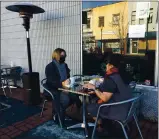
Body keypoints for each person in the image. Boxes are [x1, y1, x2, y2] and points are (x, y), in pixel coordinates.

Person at [83, 53, 132, 132]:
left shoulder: (111, 78)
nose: (106, 66)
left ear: (111, 66)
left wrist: (94, 88)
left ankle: (101, 126)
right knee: (94, 100)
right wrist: (98, 90)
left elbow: (105, 98)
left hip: (118, 111)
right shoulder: (124, 75)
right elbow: (116, 90)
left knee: (89, 107)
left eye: (107, 64)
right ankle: (106, 124)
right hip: (128, 107)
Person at [45, 48, 81, 125]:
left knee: (76, 95)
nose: (63, 57)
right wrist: (62, 87)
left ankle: (81, 113)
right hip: (55, 89)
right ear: (56, 56)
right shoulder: (50, 67)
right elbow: (52, 82)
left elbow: (67, 77)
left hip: (66, 87)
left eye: (64, 55)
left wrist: (69, 83)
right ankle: (57, 115)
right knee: (65, 99)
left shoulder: (65, 65)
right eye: (62, 55)